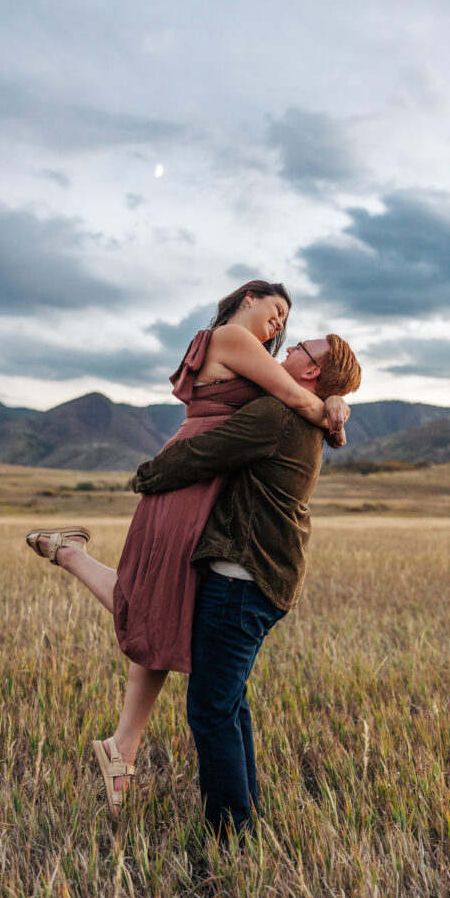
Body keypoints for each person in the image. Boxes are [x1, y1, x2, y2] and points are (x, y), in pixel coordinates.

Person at [26, 281, 349, 815]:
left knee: (163, 605)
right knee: (158, 602)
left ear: (314, 367)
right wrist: (334, 410)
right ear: (249, 298)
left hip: (211, 483)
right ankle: (129, 747)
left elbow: (295, 399)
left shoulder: (275, 391)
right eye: (276, 312)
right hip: (194, 472)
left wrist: (335, 401)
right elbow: (295, 397)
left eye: (290, 329)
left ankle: (125, 744)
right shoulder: (232, 338)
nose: (282, 331)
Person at [131, 334, 361, 836]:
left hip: (241, 577)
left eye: (303, 347)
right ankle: (245, 815)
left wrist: (145, 477)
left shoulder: (277, 417)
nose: (290, 346)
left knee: (211, 710)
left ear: (311, 373)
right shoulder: (301, 414)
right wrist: (333, 401)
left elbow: (203, 454)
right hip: (264, 578)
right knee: (229, 702)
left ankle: (231, 834)